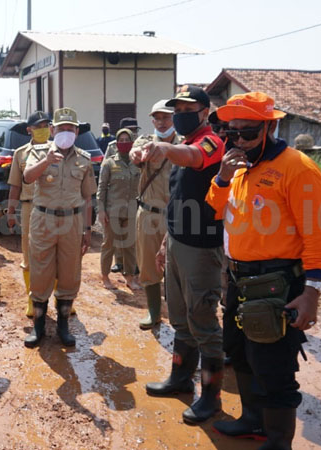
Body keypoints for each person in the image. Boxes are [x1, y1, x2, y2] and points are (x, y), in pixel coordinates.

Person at [206, 92, 321, 449]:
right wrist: (224, 177)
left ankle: (278, 441)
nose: (240, 141)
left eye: (249, 132)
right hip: (239, 279)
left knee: (273, 366)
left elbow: (316, 236)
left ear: (270, 126)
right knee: (240, 352)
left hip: (277, 283)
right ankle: (252, 419)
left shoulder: (298, 168)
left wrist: (311, 293)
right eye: (233, 134)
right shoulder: (240, 167)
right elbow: (217, 209)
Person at [134, 85, 225, 424]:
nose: (183, 114)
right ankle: (180, 379)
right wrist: (164, 242)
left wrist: (163, 147)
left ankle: (211, 398)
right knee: (180, 319)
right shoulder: (183, 143)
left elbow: (196, 159)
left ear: (205, 111)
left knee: (203, 322)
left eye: (189, 109)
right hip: (177, 241)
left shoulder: (211, 141)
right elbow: (178, 196)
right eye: (179, 109)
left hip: (202, 246)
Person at [23, 107, 97, 348]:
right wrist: (46, 161)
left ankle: (64, 325)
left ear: (77, 131)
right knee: (40, 270)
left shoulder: (84, 159)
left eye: (71, 128)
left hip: (73, 222)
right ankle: (39, 326)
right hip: (44, 219)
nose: (66, 132)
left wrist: (88, 229)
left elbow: (88, 198)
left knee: (69, 271)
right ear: (52, 130)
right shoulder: (39, 152)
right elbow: (27, 176)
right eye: (61, 128)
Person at [130, 99, 179, 329]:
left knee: (178, 266)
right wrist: (138, 155)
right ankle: (154, 312)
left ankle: (179, 314)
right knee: (149, 264)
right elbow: (135, 153)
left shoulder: (185, 144)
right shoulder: (145, 141)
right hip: (149, 213)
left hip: (178, 215)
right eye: (156, 118)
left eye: (166, 117)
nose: (160, 122)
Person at [6, 111, 51, 317]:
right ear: (29, 129)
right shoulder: (20, 153)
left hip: (55, 209)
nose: (42, 129)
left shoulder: (60, 150)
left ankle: (60, 298)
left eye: (45, 125)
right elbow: (15, 184)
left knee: (56, 254)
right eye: (38, 126)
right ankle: (32, 299)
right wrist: (11, 210)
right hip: (29, 207)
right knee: (29, 254)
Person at [97, 127, 141, 290]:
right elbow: (101, 188)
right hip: (112, 211)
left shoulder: (138, 163)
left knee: (130, 245)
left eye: (126, 140)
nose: (124, 143)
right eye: (120, 141)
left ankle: (130, 277)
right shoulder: (109, 163)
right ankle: (105, 276)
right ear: (116, 143)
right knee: (109, 245)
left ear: (132, 142)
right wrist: (101, 210)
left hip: (131, 211)